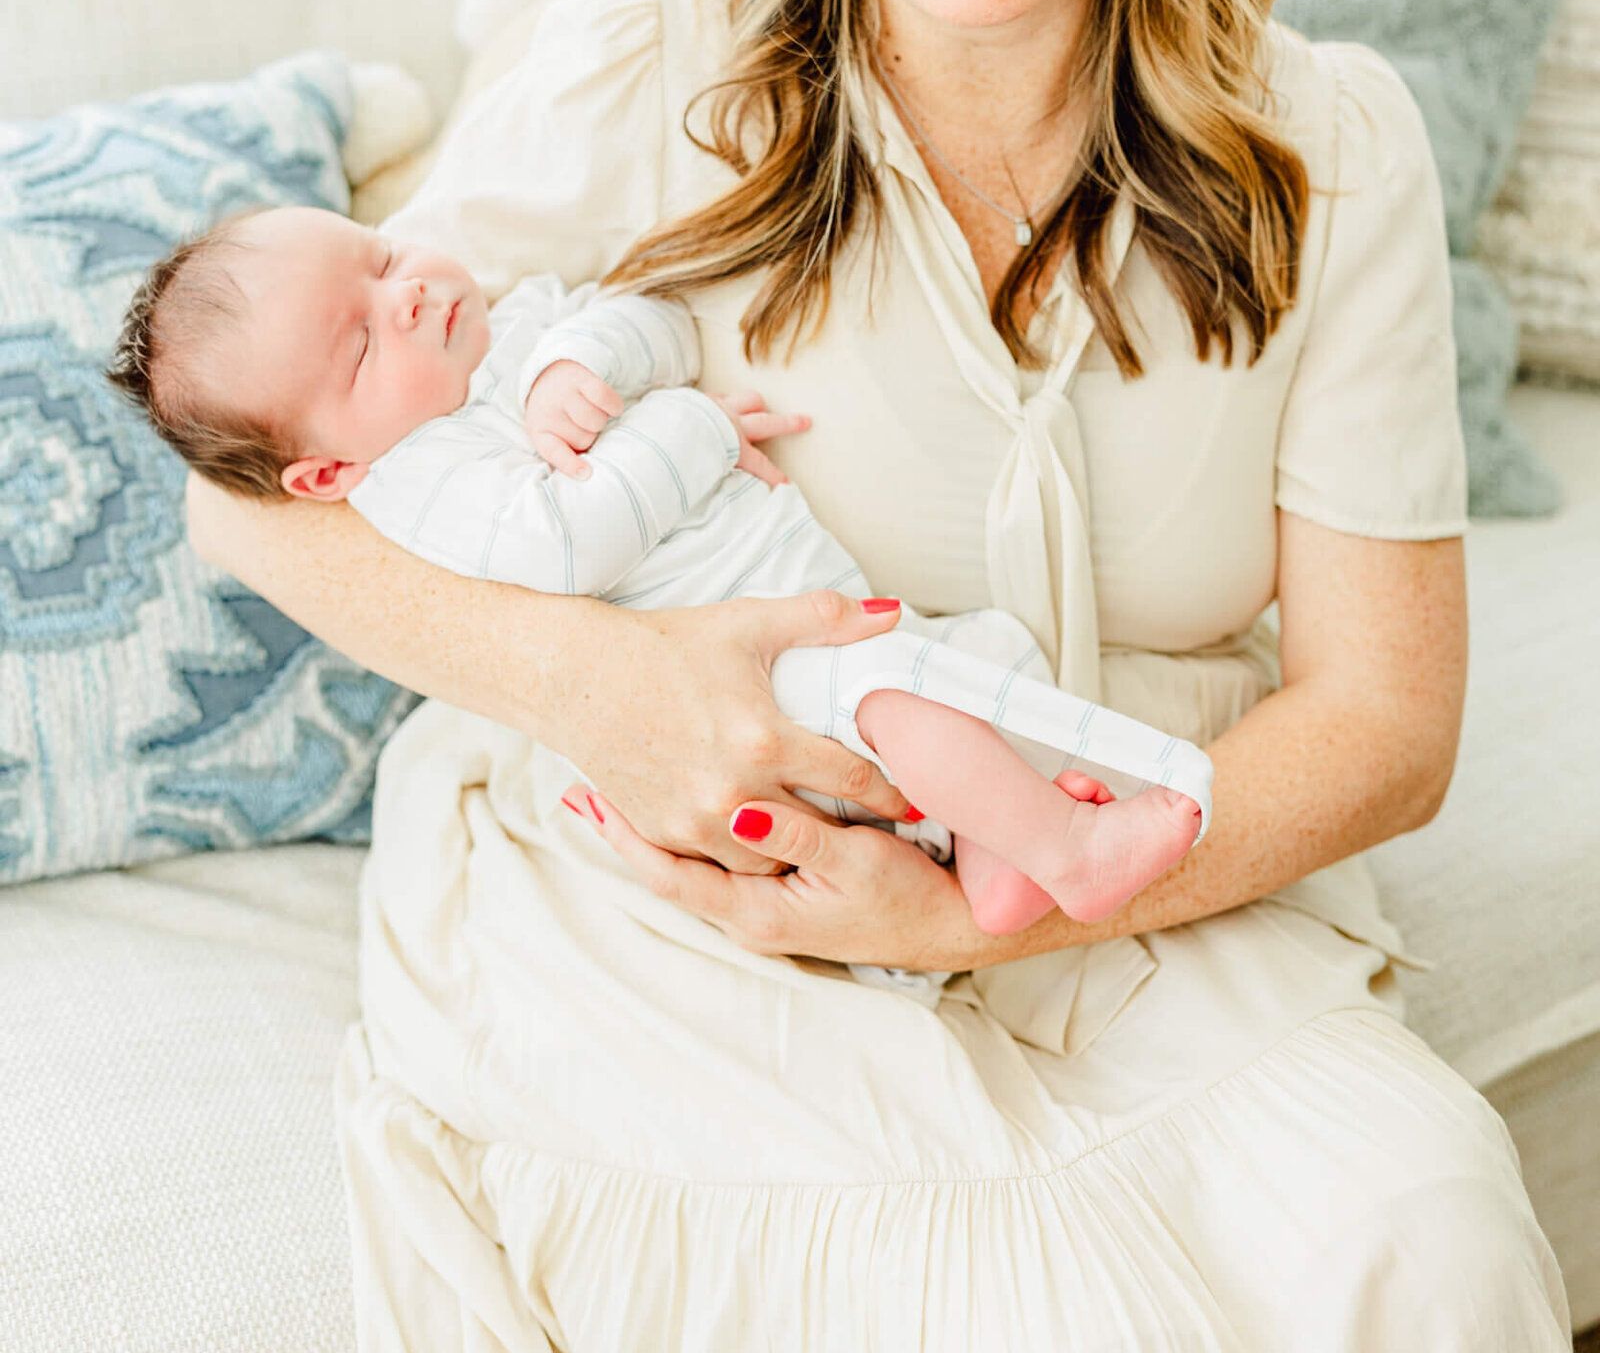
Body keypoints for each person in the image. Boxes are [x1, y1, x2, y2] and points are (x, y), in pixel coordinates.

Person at [190, 0, 1600, 1353]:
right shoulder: (638, 77)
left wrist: (982, 906)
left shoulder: (1334, 154)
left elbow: (1382, 727)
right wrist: (608, 693)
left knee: (1428, 1252)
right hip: (682, 900)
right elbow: (251, 494)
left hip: (1128, 847)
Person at [110, 205, 1209, 955]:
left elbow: (657, 319)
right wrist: (688, 426)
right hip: (747, 683)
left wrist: (580, 363)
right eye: (357, 345)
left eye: (383, 257)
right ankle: (1071, 850)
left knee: (978, 661)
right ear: (326, 470)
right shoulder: (417, 479)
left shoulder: (510, 334)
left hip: (806, 603)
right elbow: (572, 543)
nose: (405, 296)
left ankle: (996, 860)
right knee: (904, 699)